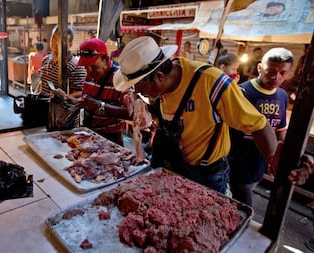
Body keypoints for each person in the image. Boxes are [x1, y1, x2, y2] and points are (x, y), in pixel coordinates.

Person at [113, 36, 278, 194]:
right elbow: (167, 119)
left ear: (159, 76)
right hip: (174, 167)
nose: (137, 92)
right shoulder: (160, 90)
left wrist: (276, 164)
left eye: (138, 86)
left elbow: (258, 125)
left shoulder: (210, 81)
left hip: (208, 175)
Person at [229, 48, 293, 206]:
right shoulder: (241, 92)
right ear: (259, 68)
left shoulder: (282, 96)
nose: (276, 77)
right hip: (239, 163)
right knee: (245, 207)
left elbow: (280, 130)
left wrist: (280, 155)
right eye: (270, 71)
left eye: (283, 73)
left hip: (261, 163)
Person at [75, 38, 131, 146]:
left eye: (94, 66)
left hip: (111, 139)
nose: (89, 71)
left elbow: (130, 113)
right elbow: (86, 101)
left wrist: (100, 105)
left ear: (105, 59)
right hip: (89, 135)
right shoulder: (89, 76)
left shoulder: (120, 77)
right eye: (86, 67)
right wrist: (70, 101)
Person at [35, 25, 86, 97]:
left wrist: (64, 98)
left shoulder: (76, 66)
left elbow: (80, 93)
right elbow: (42, 83)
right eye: (54, 38)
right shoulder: (45, 60)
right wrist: (33, 96)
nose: (56, 43)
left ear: (70, 45)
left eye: (61, 40)